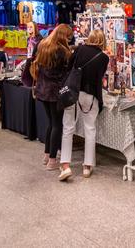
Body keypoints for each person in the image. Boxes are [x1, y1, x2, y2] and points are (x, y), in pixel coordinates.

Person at [59, 30, 109, 181]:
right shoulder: (104, 58)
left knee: (68, 128)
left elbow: (68, 69)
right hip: (91, 95)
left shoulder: (79, 49)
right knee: (90, 129)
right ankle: (87, 166)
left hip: (73, 92)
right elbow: (99, 78)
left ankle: (65, 165)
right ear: (102, 41)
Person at [32, 24, 72, 171]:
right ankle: (53, 160)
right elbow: (64, 73)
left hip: (42, 90)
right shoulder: (62, 51)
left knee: (51, 123)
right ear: (63, 36)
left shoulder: (42, 45)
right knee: (57, 125)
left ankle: (47, 154)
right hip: (55, 92)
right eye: (68, 37)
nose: (69, 39)